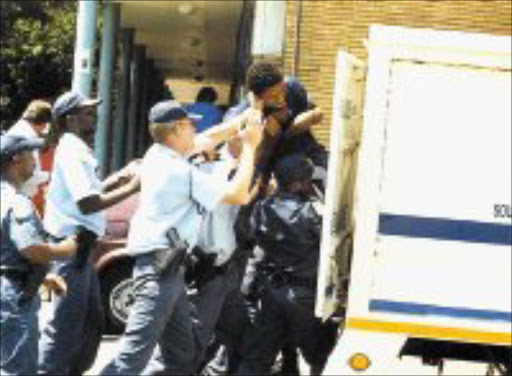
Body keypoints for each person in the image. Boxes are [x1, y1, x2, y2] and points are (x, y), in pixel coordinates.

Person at [99, 98, 263, 375]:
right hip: (157, 273)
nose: (194, 132)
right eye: (189, 126)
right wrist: (250, 147)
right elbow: (238, 194)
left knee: (182, 356)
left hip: (170, 271)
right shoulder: (180, 171)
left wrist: (242, 120)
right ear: (175, 130)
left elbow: (208, 138)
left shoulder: (157, 154)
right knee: (132, 359)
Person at [38, 91, 141, 375]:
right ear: (70, 119)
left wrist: (115, 180)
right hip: (72, 250)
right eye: (88, 112)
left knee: (91, 324)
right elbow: (86, 203)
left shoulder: (77, 148)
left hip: (82, 250)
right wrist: (133, 187)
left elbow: (87, 194)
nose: (93, 117)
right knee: (65, 328)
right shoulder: (71, 149)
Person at [236, 154, 335, 376]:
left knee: (257, 357)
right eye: (308, 180)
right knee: (320, 357)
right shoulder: (313, 212)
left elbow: (251, 238)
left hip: (270, 291)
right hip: (304, 296)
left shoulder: (262, 207)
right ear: (298, 184)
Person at [0, 134, 77, 375]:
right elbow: (30, 249)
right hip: (14, 294)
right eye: (30, 155)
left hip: (11, 284)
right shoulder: (16, 202)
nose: (35, 160)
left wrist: (43, 277)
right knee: (19, 368)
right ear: (16, 160)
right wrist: (65, 249)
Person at [224, 62, 327, 193]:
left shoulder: (292, 88)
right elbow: (240, 157)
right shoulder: (240, 116)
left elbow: (318, 112)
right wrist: (266, 134)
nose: (281, 99)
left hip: (303, 151)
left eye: (282, 91)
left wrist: (305, 120)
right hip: (270, 166)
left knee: (329, 167)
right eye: (273, 97)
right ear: (256, 97)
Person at [6, 100, 52, 201]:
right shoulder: (27, 137)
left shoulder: (17, 130)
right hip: (17, 194)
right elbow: (30, 175)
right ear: (44, 124)